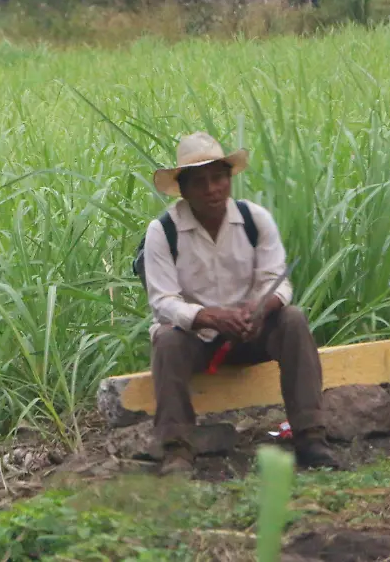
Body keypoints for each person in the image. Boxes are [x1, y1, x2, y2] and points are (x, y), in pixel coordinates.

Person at [141, 131, 341, 476]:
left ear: (229, 178)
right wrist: (208, 317)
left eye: (218, 178)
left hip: (252, 332)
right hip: (196, 340)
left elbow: (278, 281)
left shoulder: (254, 219)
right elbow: (163, 301)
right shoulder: (162, 231)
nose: (211, 189)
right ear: (183, 190)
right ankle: (176, 449)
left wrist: (260, 309)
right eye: (199, 182)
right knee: (167, 339)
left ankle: (311, 437)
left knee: (293, 319)